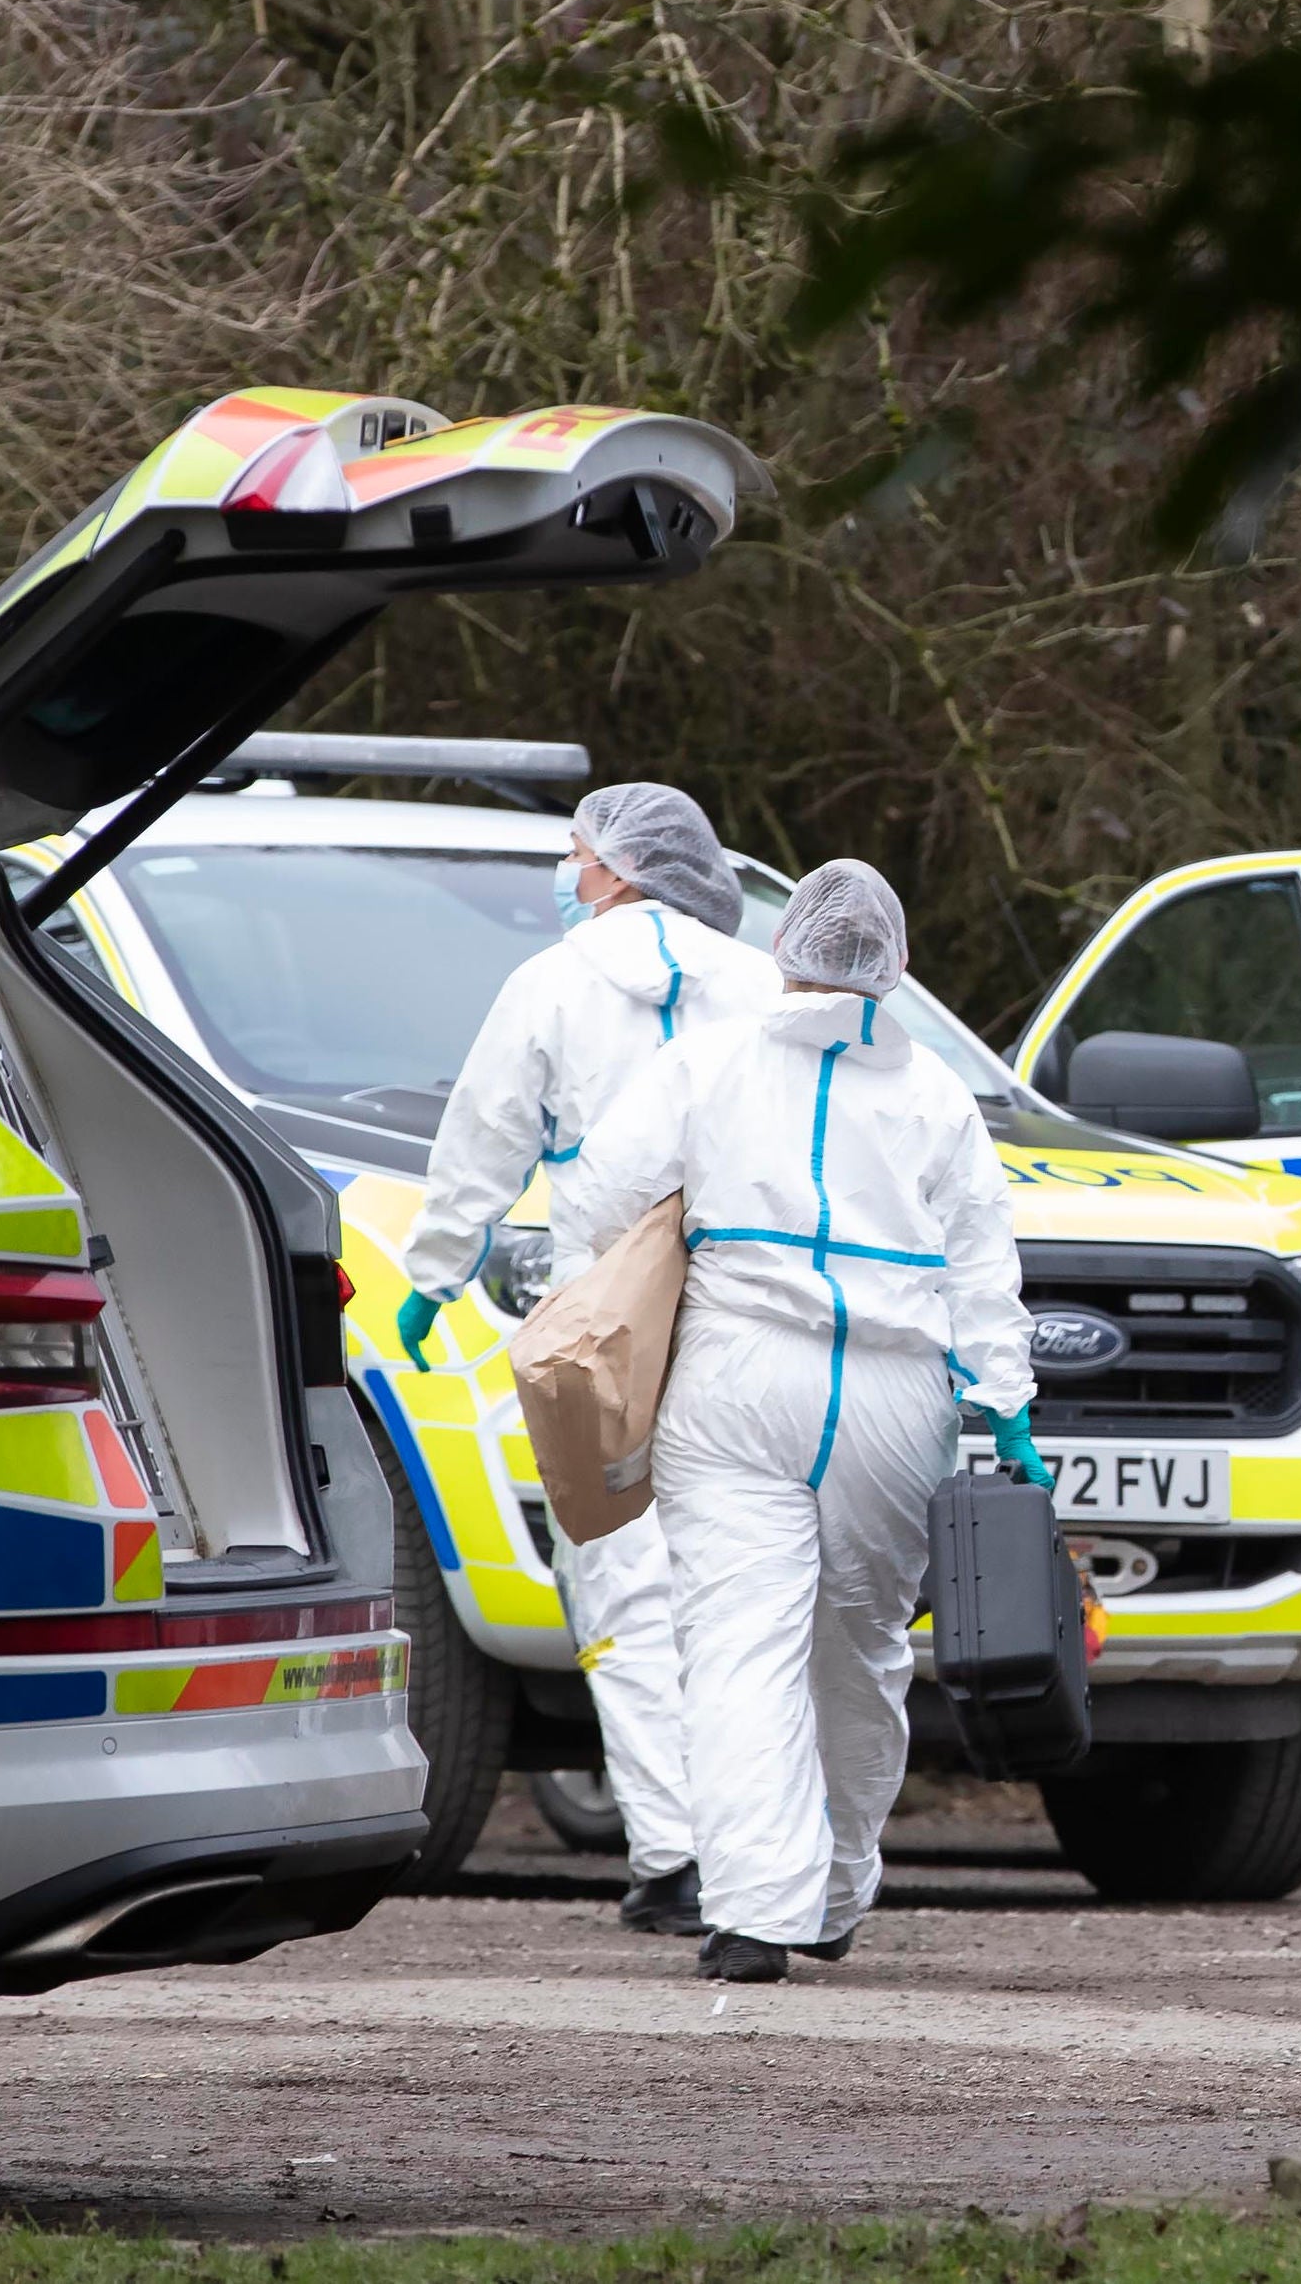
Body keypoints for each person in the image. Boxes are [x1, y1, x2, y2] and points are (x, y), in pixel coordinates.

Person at [551, 860, 1042, 1984]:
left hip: (733, 1375)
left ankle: (750, 1912)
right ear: (898, 967)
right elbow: (981, 1268)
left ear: (784, 953)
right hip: (891, 1396)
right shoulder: (936, 1097)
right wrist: (1007, 1409)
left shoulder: (706, 1058)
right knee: (858, 1648)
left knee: (735, 1643)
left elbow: (590, 1200)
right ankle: (829, 1889)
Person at [394, 781, 782, 1938]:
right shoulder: (759, 979)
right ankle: (758, 1848)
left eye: (573, 852)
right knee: (746, 1581)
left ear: (612, 868)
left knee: (618, 1568)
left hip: (604, 1310)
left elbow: (484, 1131)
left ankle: (670, 1855)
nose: (565, 872)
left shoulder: (550, 984)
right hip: (745, 1302)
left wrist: (433, 1269)